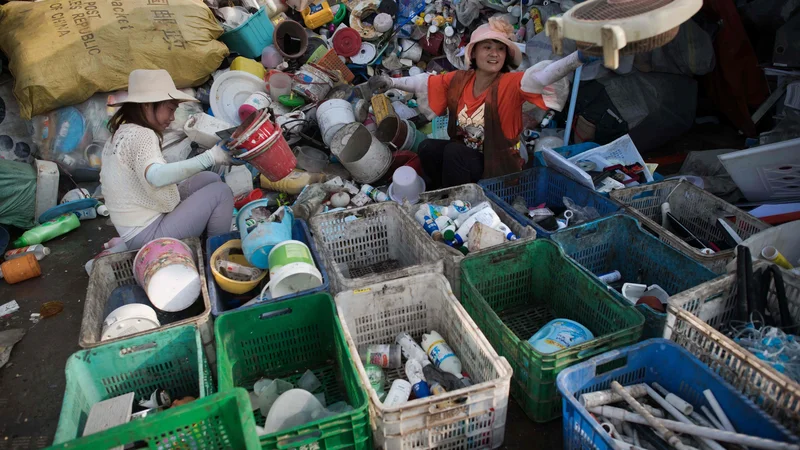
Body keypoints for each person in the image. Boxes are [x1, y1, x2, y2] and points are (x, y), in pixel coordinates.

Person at [379, 17, 591, 188]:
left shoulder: (511, 83)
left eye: (500, 49)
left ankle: (456, 203)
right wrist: (390, 82)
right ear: (474, 53)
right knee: (427, 147)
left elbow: (542, 76)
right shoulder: (460, 80)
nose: (494, 54)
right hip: (469, 157)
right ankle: (440, 194)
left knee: (455, 152)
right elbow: (424, 82)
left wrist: (577, 58)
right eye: (487, 47)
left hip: (500, 164)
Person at [100, 69, 238, 250]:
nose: (172, 118)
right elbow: (156, 177)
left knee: (210, 179)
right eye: (170, 109)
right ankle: (215, 257)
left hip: (137, 228)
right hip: (148, 236)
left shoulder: (122, 133)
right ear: (147, 105)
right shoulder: (142, 135)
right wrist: (211, 156)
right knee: (221, 193)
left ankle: (203, 237)